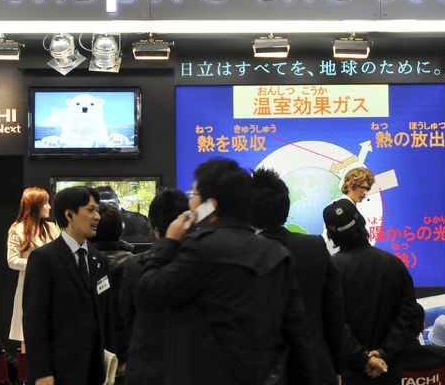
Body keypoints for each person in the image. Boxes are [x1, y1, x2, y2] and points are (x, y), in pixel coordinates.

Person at [135, 158, 317, 385]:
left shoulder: (199, 248)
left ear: (210, 205)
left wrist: (169, 242)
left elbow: (149, 293)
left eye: (194, 195)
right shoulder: (277, 253)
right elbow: (298, 334)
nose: (191, 203)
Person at [251, 167, 345, 385]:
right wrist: (337, 367)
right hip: (315, 367)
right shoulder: (314, 247)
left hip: (260, 370)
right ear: (285, 206)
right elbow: (334, 311)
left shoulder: (242, 253)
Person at [323, 198, 423, 385]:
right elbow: (411, 316)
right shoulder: (394, 264)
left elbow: (332, 323)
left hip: (347, 374)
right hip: (387, 370)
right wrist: (383, 354)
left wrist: (363, 358)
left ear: (330, 234)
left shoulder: (329, 270)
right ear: (362, 221)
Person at [23, 186, 116, 385]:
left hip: (95, 371)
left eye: (97, 210)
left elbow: (107, 315)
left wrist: (111, 362)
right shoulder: (43, 259)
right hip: (58, 372)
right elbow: (34, 321)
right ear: (69, 215)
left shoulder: (99, 260)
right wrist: (42, 372)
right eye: (90, 210)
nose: (97, 217)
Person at [121, 189, 189, 385]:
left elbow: (125, 318)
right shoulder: (201, 263)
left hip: (146, 369)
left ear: (155, 228)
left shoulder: (135, 265)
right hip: (191, 369)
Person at [6, 186, 59, 352]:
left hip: (53, 285)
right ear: (35, 206)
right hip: (29, 286)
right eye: (45, 203)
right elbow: (12, 261)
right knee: (27, 335)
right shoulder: (17, 229)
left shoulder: (51, 227)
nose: (49, 207)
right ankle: (27, 368)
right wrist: (38, 264)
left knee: (53, 332)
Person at [90, 205, 134, 378]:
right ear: (120, 230)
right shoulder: (135, 264)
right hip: (128, 349)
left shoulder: (81, 262)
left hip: (91, 352)